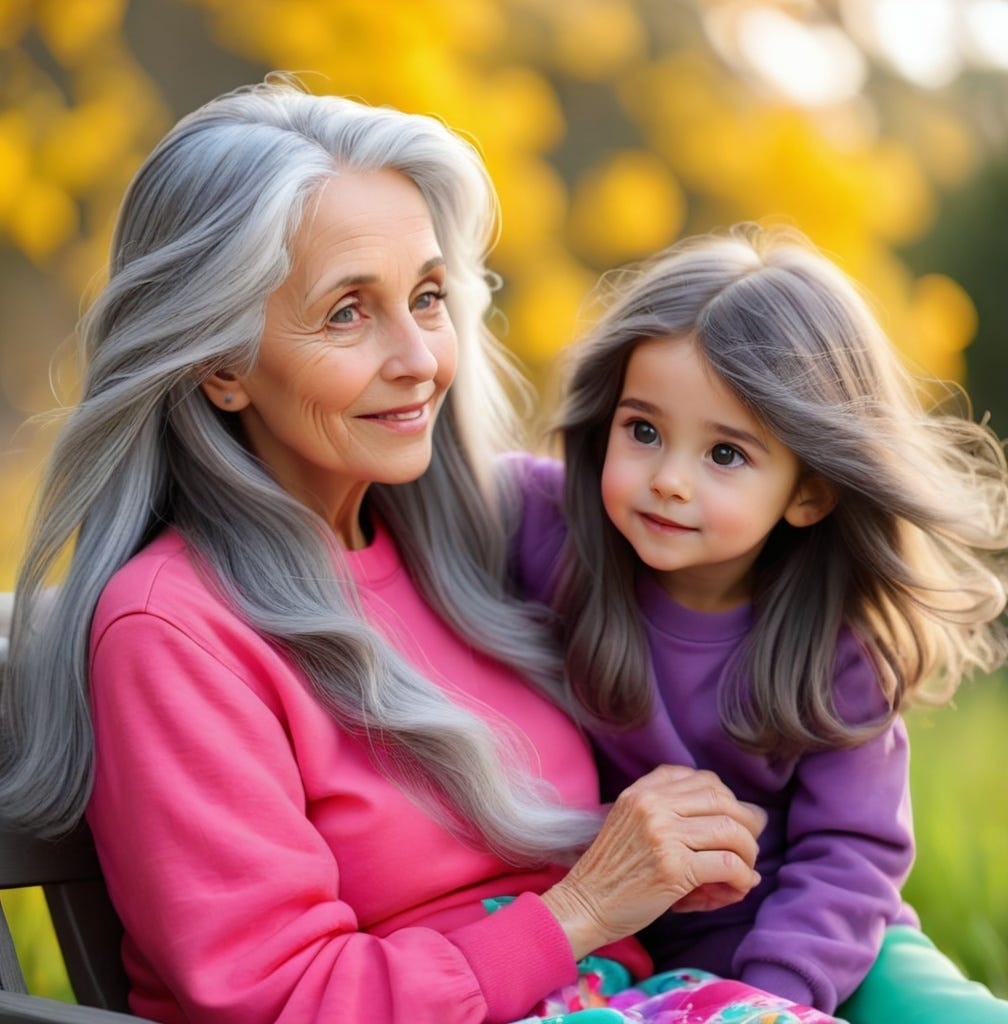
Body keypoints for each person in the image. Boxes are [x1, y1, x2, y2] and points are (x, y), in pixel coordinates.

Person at [0, 80, 848, 1024]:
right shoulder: (174, 632)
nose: (419, 358)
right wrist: (579, 910)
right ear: (220, 364)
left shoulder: (470, 538)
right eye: (348, 313)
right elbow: (277, 998)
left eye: (429, 296)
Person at [507, 224, 1008, 1020]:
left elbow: (849, 858)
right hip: (608, 937)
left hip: (820, 946)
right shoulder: (545, 532)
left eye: (725, 455)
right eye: (643, 430)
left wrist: (768, 1000)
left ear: (809, 492)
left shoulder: (841, 651)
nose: (669, 480)